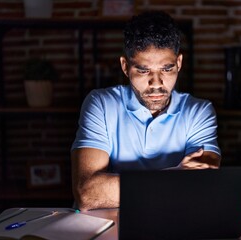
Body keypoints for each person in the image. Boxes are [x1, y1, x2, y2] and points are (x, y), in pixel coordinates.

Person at [71, 11, 221, 211]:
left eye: (167, 69)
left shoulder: (199, 112)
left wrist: (126, 187)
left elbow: (201, 185)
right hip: (106, 225)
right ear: (125, 66)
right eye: (143, 70)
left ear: (179, 63)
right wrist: (176, 176)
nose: (157, 84)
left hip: (171, 222)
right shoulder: (101, 104)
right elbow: (87, 194)